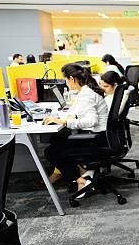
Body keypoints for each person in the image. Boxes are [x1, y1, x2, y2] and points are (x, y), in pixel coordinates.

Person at [43, 63, 108, 194]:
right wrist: (69, 116)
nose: (66, 83)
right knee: (57, 138)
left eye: (65, 79)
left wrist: (64, 122)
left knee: (51, 152)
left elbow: (92, 120)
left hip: (97, 137)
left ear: (72, 79)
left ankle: (80, 180)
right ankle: (82, 170)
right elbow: (78, 110)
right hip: (100, 134)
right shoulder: (84, 91)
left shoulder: (86, 95)